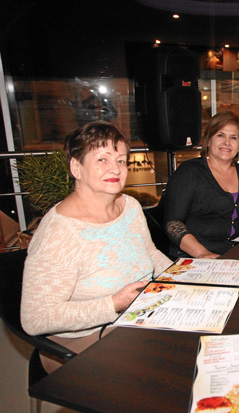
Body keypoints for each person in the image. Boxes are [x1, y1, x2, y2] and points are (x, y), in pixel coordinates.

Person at [21, 121, 172, 372]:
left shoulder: (130, 206)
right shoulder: (59, 232)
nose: (115, 168)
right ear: (76, 168)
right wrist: (113, 304)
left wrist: (184, 276)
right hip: (82, 342)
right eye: (102, 159)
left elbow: (150, 254)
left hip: (138, 318)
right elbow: (35, 318)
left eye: (121, 160)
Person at [163, 111, 239, 258]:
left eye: (234, 137)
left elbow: (237, 218)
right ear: (209, 140)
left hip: (230, 252)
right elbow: (173, 224)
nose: (227, 143)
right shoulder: (189, 171)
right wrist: (203, 254)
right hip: (193, 256)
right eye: (220, 135)